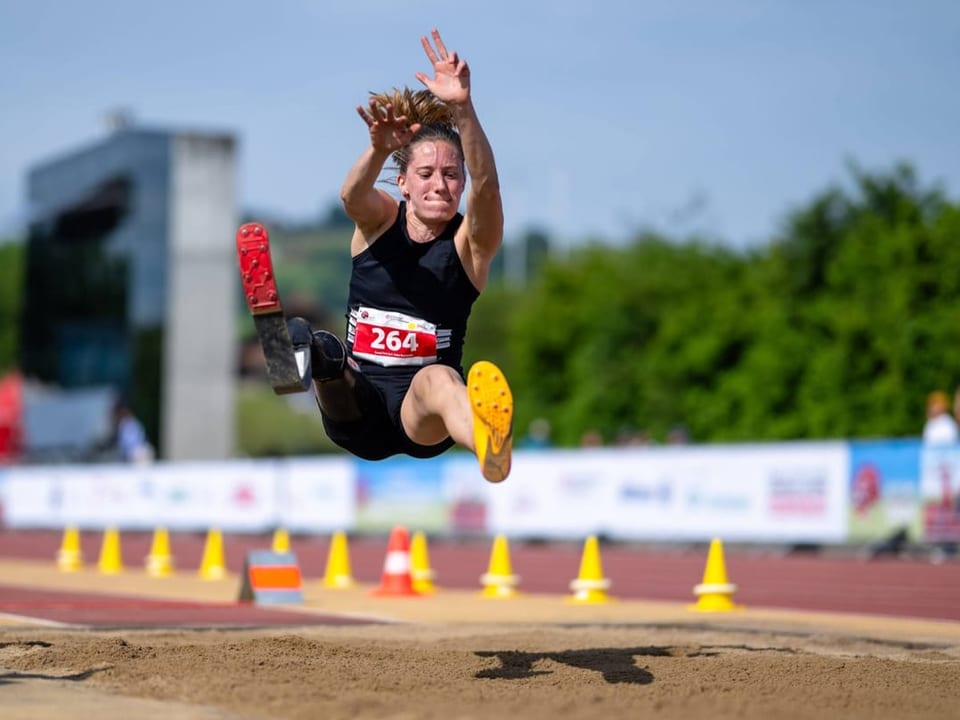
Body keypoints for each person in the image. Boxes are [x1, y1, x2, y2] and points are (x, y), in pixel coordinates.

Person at [241, 29, 513, 482]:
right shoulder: (382, 220)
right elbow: (351, 197)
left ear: (462, 183)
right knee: (322, 346)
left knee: (440, 381)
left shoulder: (470, 244)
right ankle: (284, 360)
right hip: (357, 407)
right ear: (403, 182)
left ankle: (488, 443)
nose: (440, 184)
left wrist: (463, 109)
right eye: (426, 173)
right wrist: (378, 148)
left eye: (451, 174)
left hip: (419, 419)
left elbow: (488, 189)